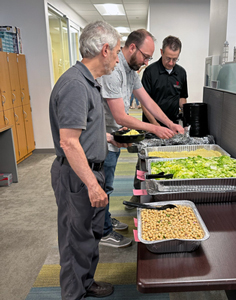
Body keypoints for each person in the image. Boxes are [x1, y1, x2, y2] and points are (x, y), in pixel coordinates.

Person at [49, 21, 128, 300]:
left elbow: (82, 130)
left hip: (90, 172)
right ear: (104, 50)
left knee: (90, 236)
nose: (118, 58)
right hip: (77, 175)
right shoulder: (75, 85)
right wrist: (92, 186)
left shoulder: (88, 83)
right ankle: (74, 294)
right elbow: (68, 142)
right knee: (74, 241)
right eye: (117, 52)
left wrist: (108, 139)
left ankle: (85, 282)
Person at [97, 29, 184, 248]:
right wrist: (155, 129)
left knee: (109, 184)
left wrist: (170, 124)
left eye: (149, 58)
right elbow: (119, 115)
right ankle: (103, 231)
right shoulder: (114, 71)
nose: (147, 61)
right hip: (103, 138)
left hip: (116, 138)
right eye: (145, 56)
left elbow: (149, 102)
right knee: (102, 187)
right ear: (132, 47)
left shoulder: (131, 72)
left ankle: (105, 220)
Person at [128, 35, 188, 208]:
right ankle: (137, 193)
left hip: (171, 126)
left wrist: (181, 119)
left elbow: (182, 97)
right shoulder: (150, 71)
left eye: (175, 59)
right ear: (161, 52)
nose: (171, 62)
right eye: (168, 58)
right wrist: (155, 126)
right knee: (144, 160)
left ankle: (163, 193)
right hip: (150, 125)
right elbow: (146, 103)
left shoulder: (181, 73)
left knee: (168, 161)